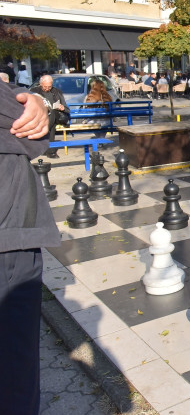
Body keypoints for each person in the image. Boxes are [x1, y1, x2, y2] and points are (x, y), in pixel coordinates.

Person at [0, 81, 61, 415]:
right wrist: (39, 103)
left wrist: (40, 100)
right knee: (14, 374)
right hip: (8, 244)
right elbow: (36, 140)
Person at [30, 74, 70, 158]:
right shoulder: (34, 91)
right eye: (45, 86)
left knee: (51, 117)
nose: (47, 88)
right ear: (41, 84)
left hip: (55, 116)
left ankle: (49, 150)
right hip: (39, 116)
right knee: (48, 119)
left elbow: (66, 108)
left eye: (49, 86)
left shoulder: (56, 92)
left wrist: (62, 108)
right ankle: (49, 150)